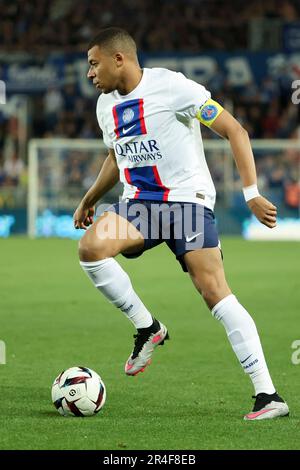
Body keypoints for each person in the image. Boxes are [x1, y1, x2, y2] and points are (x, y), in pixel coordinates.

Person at [73, 27, 289, 421]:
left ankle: (267, 394)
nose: (89, 73)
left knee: (214, 292)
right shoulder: (106, 106)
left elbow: (234, 130)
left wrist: (252, 193)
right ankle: (147, 327)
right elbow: (115, 155)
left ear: (118, 58)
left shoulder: (172, 87)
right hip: (139, 206)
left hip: (187, 202)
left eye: (93, 63)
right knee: (90, 248)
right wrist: (89, 199)